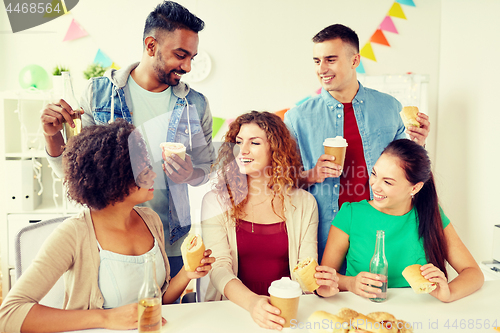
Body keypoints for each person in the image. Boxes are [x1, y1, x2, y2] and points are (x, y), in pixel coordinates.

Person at [40, 1, 216, 278]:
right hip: (107, 238)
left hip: (170, 241)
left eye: (192, 57)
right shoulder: (98, 95)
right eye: (181, 55)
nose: (187, 67)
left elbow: (206, 168)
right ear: (150, 46)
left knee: (171, 317)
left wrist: (191, 173)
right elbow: (72, 173)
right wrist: (52, 137)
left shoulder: (196, 104)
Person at [0, 120, 214, 333]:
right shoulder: (73, 233)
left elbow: (157, 302)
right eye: (144, 171)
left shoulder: (150, 220)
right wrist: (106, 318)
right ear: (115, 177)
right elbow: (9, 314)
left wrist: (187, 273)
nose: (154, 175)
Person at [283, 24, 431, 261]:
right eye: (316, 61)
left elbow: (406, 170)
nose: (322, 69)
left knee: (377, 292)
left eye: (330, 59)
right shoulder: (297, 118)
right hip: (322, 231)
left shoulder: (389, 107)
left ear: (355, 61)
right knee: (327, 292)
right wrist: (312, 174)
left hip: (380, 227)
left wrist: (419, 143)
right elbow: (280, 182)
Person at [201, 111, 339, 331]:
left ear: (275, 149)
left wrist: (319, 286)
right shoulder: (215, 202)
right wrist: (252, 303)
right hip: (232, 311)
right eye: (238, 142)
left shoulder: (304, 203)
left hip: (287, 312)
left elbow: (305, 265)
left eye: (254, 142)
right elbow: (218, 267)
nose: (242, 150)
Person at [321, 139, 484, 302]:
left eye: (387, 182)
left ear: (415, 188)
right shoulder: (350, 214)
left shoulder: (431, 215)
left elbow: (473, 272)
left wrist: (449, 293)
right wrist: (350, 283)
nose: (375, 186)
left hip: (419, 315)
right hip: (363, 315)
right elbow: (323, 280)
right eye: (374, 174)